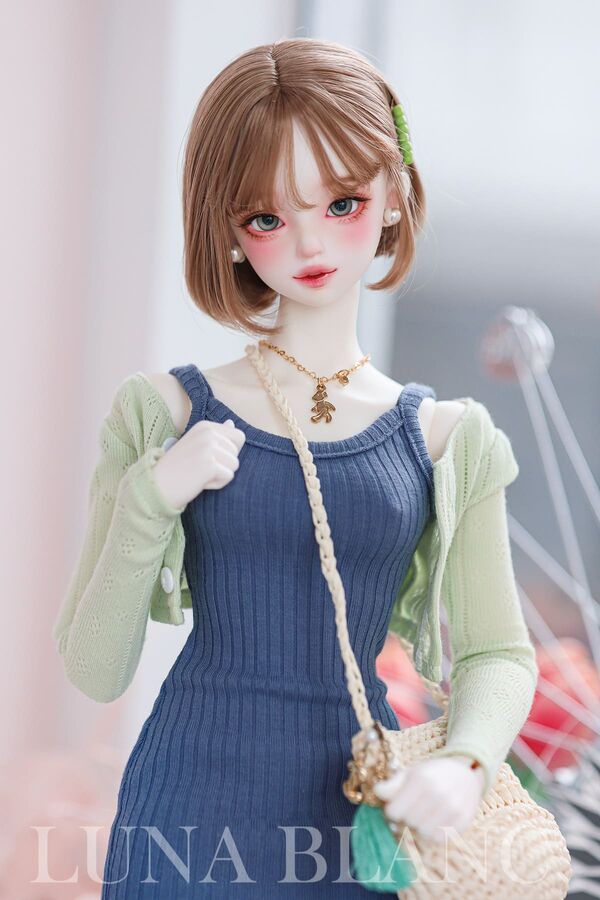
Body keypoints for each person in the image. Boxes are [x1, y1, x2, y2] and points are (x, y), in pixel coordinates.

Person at [53, 38, 538, 896]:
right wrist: (150, 499)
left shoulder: (447, 438)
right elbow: (96, 668)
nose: (309, 241)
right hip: (186, 810)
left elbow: (497, 650)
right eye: (267, 218)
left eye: (342, 202)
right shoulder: (163, 412)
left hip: (357, 807)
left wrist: (467, 760)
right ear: (228, 231)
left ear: (395, 194)